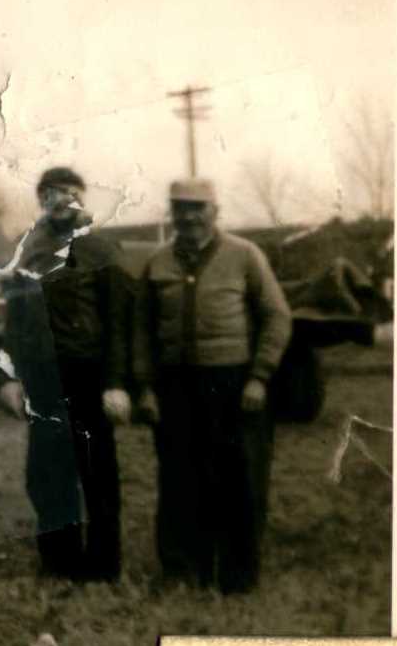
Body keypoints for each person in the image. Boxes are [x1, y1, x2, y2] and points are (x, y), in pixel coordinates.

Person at [133, 178, 291, 594]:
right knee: (179, 478)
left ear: (215, 211)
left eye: (197, 207)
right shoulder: (157, 262)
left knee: (239, 479)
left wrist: (259, 376)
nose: (188, 216)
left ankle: (237, 576)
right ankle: (182, 571)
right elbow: (142, 332)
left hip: (234, 383)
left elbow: (277, 316)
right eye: (180, 208)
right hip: (176, 386)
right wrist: (145, 387)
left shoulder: (245, 255)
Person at [0, 167, 132, 582]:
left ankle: (104, 567)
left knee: (98, 476)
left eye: (70, 193)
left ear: (82, 199)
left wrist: (116, 382)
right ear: (42, 201)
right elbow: (13, 325)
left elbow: (120, 323)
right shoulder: (27, 254)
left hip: (90, 379)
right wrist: (11, 378)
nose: (61, 201)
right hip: (43, 382)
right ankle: (59, 563)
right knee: (47, 476)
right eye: (52, 194)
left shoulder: (104, 251)